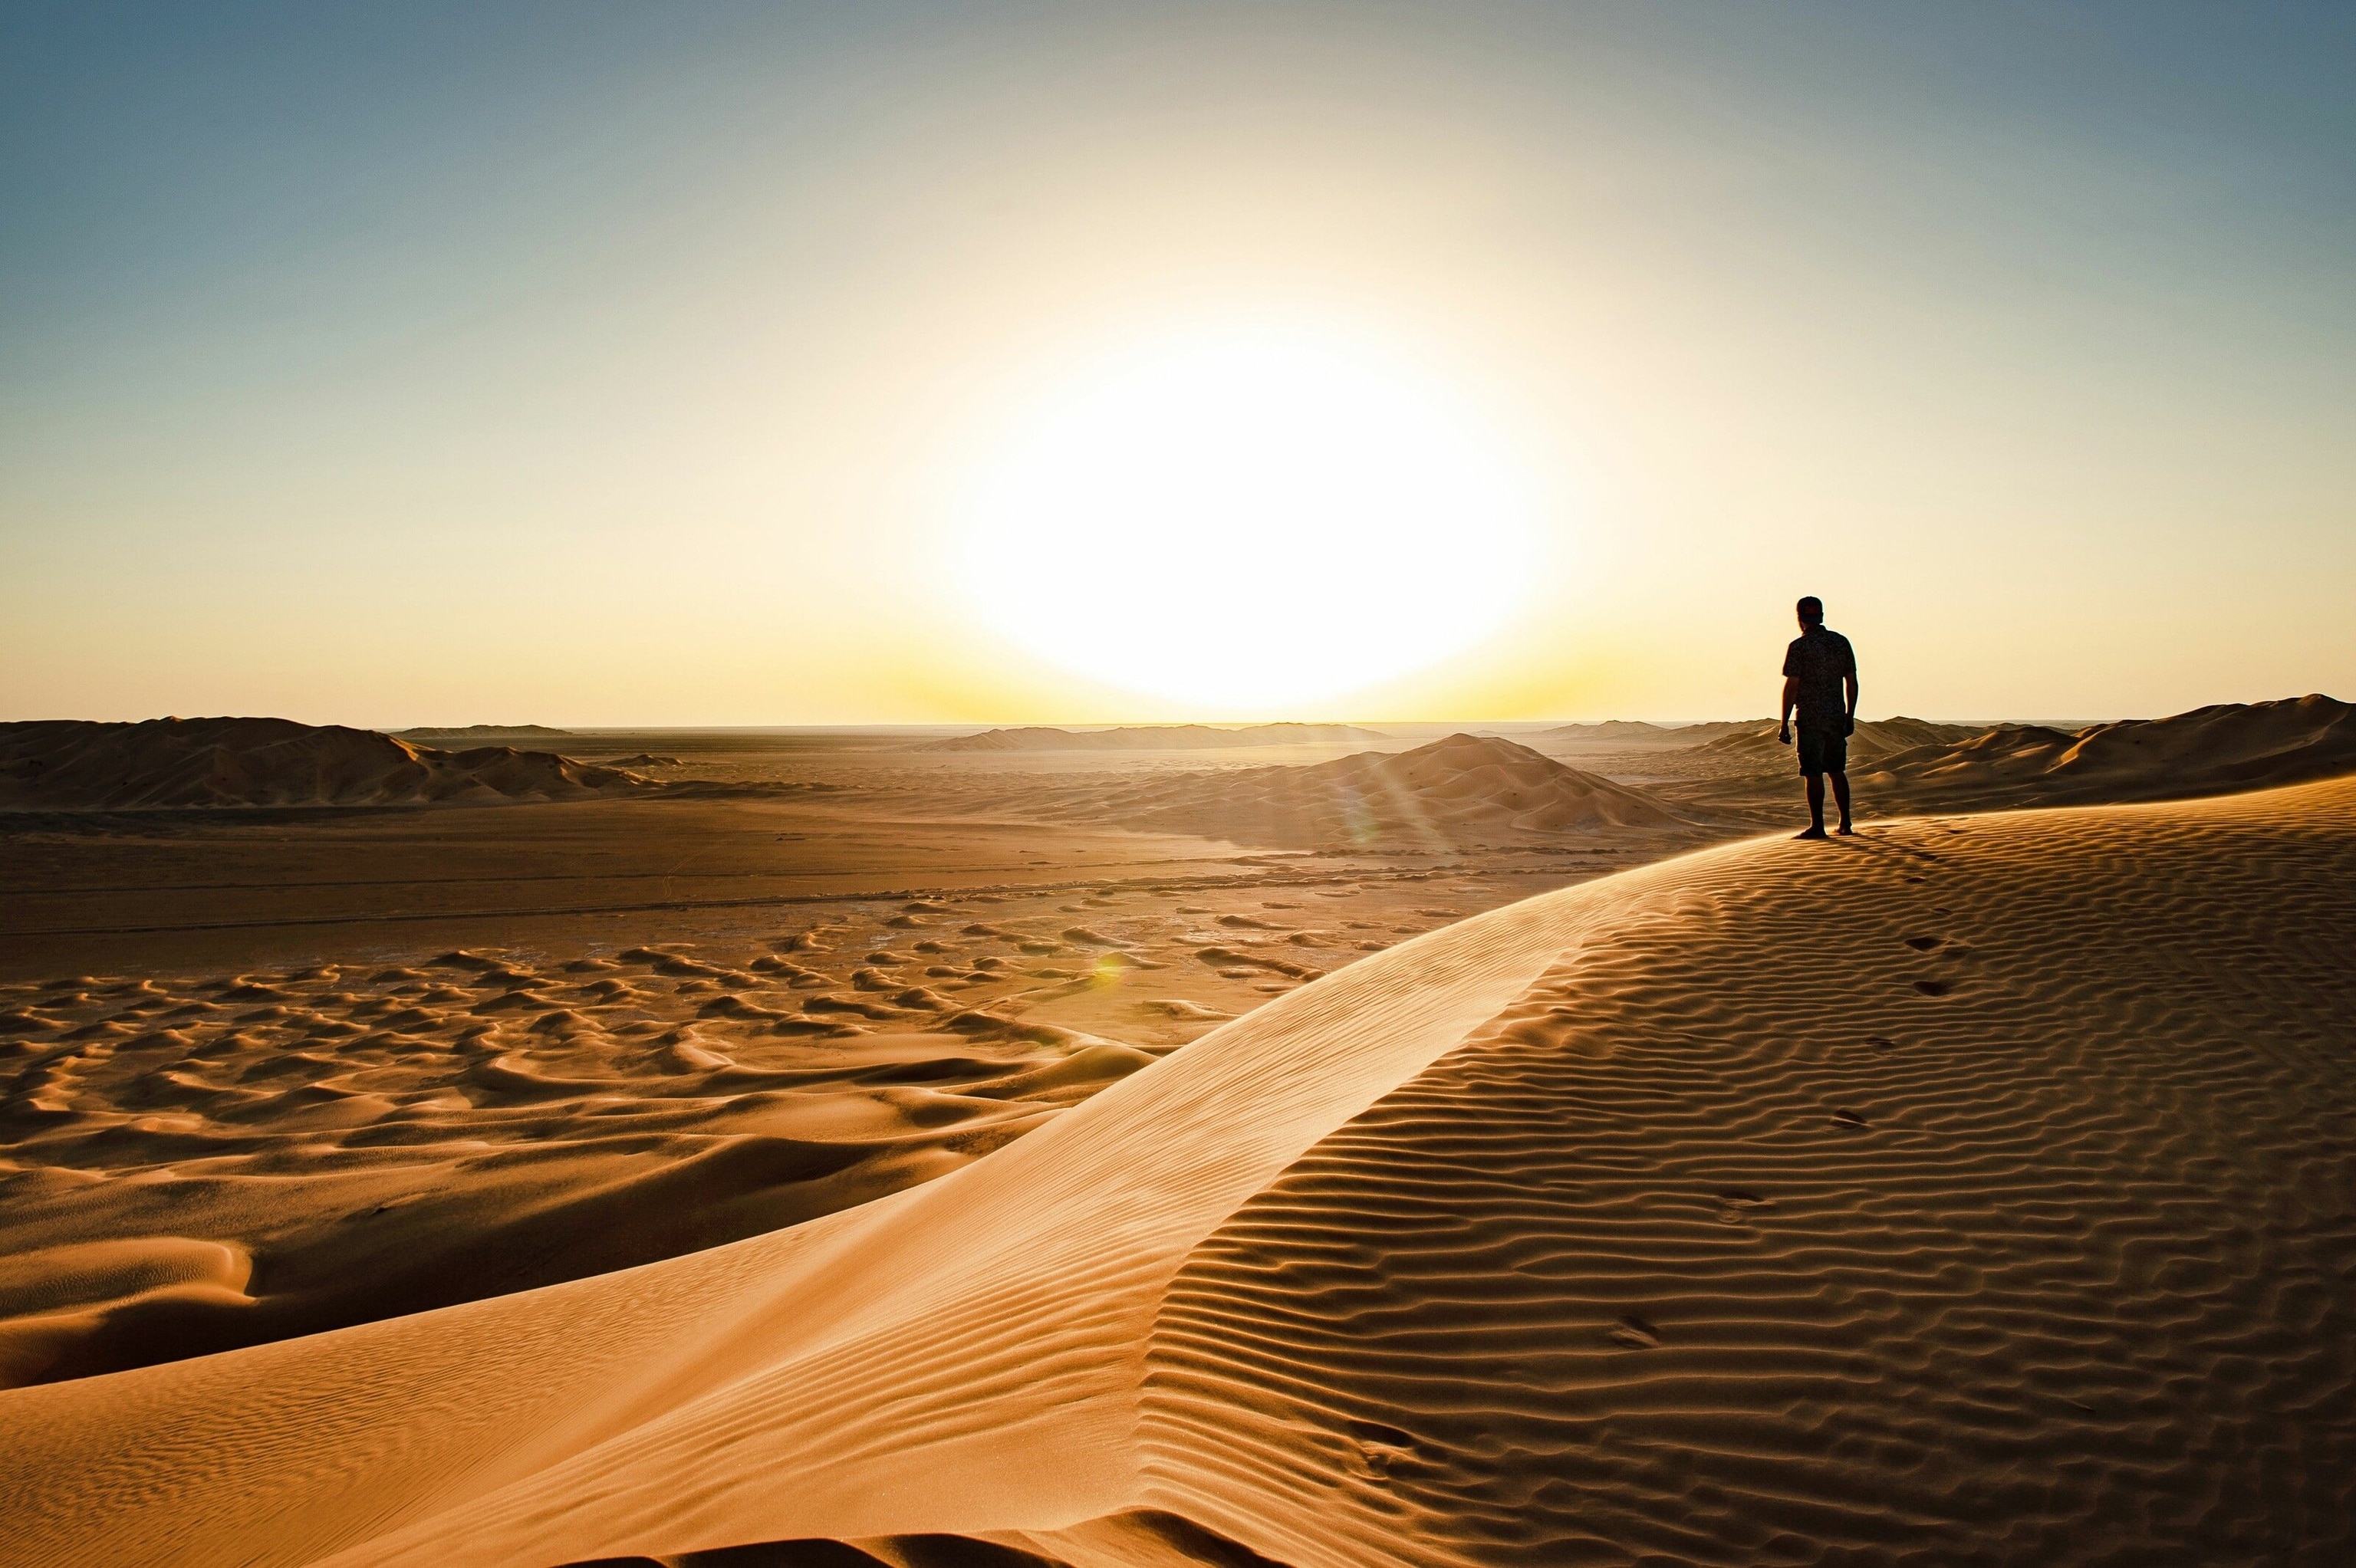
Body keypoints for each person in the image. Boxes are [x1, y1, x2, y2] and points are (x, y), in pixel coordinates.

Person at [1778, 596, 1858, 839]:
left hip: (1810, 718)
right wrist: (1849, 715)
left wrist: (1783, 723)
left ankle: (1817, 826)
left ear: (1800, 619)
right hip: (1835, 716)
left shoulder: (1799, 647)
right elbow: (1852, 682)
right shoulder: (1840, 642)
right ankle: (1845, 823)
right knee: (1836, 770)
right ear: (1821, 616)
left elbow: (1792, 686)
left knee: (1812, 772)